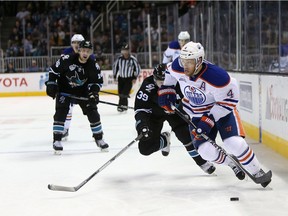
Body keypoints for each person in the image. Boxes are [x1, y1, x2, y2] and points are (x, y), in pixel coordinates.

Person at [158, 41, 272, 187]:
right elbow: (169, 72)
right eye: (183, 61)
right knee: (205, 152)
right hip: (197, 114)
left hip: (222, 111)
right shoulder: (178, 66)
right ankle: (232, 163)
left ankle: (257, 171)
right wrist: (167, 89)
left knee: (233, 144)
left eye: (189, 62)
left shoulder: (217, 76)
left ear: (199, 61)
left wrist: (210, 119)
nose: (184, 65)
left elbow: (230, 100)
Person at [134, 63, 216, 174]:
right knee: (145, 148)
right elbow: (140, 109)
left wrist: (184, 109)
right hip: (155, 115)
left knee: (185, 136)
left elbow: (190, 99)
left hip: (174, 113)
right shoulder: (148, 86)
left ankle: (202, 162)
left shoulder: (179, 83)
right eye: (160, 81)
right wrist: (142, 125)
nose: (163, 84)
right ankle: (164, 140)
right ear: (154, 78)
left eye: (165, 80)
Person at [45, 40, 109, 152]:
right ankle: (57, 140)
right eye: (83, 50)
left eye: (88, 51)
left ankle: (99, 138)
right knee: (61, 112)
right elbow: (53, 71)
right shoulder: (66, 59)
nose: (85, 53)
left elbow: (96, 82)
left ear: (90, 52)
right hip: (65, 89)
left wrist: (94, 93)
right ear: (79, 50)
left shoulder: (93, 65)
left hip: (82, 91)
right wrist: (51, 83)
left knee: (92, 111)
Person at [61, 34, 96, 140]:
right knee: (68, 109)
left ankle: (97, 133)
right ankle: (65, 129)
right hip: (70, 86)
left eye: (78, 42)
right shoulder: (66, 53)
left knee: (90, 109)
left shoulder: (89, 55)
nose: (75, 45)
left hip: (83, 88)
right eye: (74, 42)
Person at [113, 43, 141, 112]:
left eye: (126, 50)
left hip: (129, 79)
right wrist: (114, 76)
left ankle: (123, 106)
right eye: (123, 50)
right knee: (120, 93)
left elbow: (137, 68)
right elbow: (115, 67)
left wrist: (135, 77)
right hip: (121, 78)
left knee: (125, 93)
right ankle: (121, 106)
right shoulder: (119, 59)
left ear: (129, 51)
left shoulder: (132, 59)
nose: (125, 52)